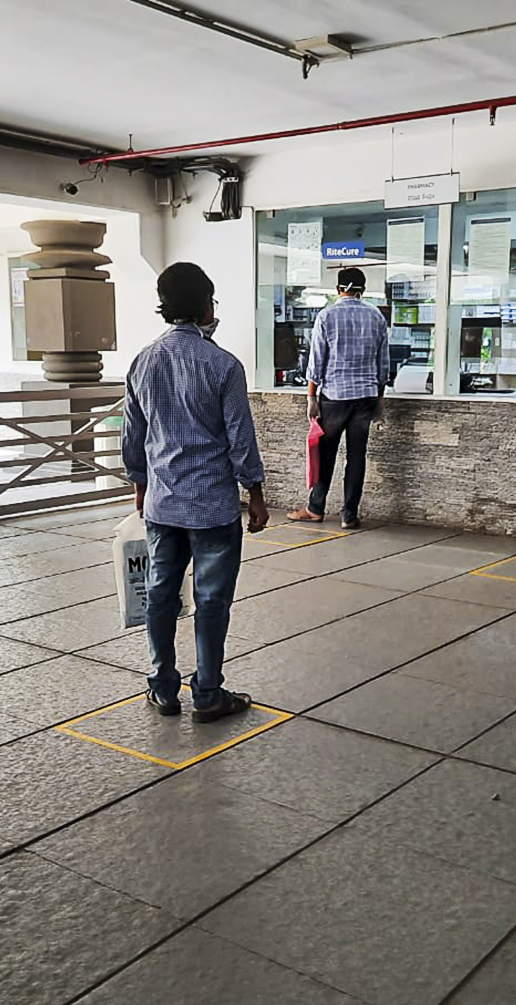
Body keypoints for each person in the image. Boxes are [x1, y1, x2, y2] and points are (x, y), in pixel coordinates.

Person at [122, 262, 270, 723]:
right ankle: (208, 694)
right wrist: (255, 491)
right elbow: (239, 437)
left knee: (161, 594)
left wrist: (139, 486)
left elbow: (133, 435)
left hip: (163, 504)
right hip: (212, 507)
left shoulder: (142, 361)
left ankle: (162, 687)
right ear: (206, 303)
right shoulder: (224, 365)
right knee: (211, 601)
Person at [287, 266, 389, 530]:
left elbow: (316, 361)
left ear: (338, 289)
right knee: (357, 456)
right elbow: (383, 364)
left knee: (325, 453)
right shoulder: (376, 316)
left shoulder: (327, 315)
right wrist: (379, 397)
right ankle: (349, 514)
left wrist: (311, 397)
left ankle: (315, 508)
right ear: (363, 291)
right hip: (365, 396)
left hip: (334, 396)